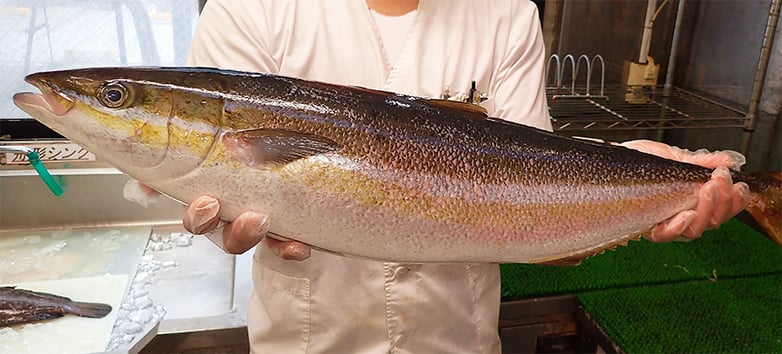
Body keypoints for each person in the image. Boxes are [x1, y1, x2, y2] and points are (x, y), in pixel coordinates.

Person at [128, 0, 750, 352]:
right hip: (310, 335)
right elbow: (221, 181)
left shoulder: (505, 13)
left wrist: (650, 179)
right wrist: (227, 219)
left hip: (456, 333)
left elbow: (525, 167)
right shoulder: (254, 9)